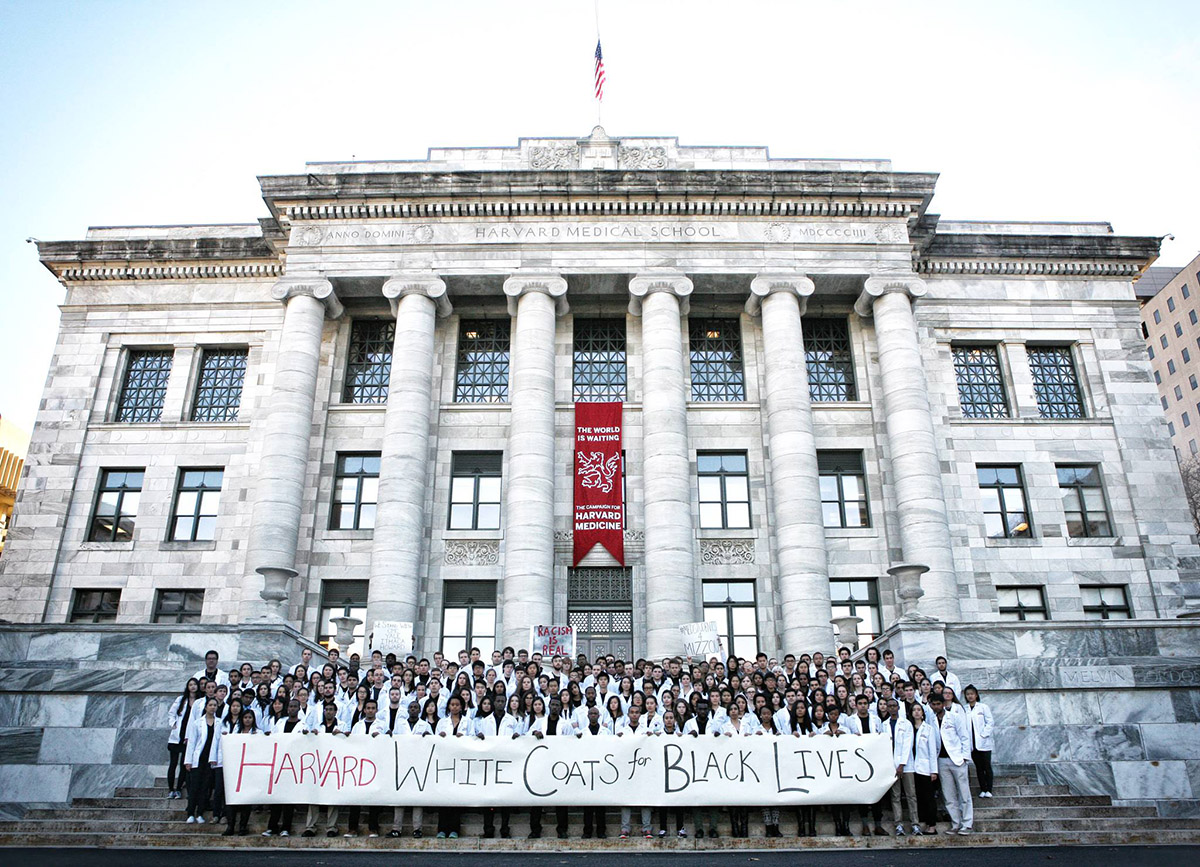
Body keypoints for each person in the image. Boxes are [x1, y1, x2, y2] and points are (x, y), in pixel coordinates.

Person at [929, 691, 972, 835]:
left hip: (957, 759)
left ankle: (967, 824)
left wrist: (965, 757)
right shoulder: (931, 720)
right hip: (941, 761)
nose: (936, 707)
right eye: (933, 704)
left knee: (964, 793)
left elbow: (965, 737)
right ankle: (956, 824)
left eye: (938, 704)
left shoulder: (954, 717)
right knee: (948, 795)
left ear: (943, 704)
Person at [263, 698, 305, 837]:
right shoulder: (280, 723)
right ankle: (272, 827)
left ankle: (286, 827)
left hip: (293, 765)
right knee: (277, 798)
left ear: (299, 709)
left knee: (289, 798)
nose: (292, 708)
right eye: (290, 706)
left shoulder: (303, 726)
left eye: (295, 706)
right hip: (279, 763)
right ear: (287, 708)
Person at [345, 699, 387, 838]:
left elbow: (387, 741)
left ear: (376, 710)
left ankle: (373, 828)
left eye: (373, 708)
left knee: (373, 797)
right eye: (368, 708)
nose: (370, 710)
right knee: (355, 797)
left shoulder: (382, 725)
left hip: (375, 763)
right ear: (364, 710)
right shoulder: (358, 725)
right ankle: (352, 828)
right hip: (359, 764)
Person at [302, 703, 343, 837]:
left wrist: (342, 735)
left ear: (336, 712)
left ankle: (331, 827)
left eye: (331, 710)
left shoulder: (341, 726)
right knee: (314, 795)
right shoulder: (317, 727)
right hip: (317, 765)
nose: (329, 712)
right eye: (327, 710)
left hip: (334, 765)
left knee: (332, 797)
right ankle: (310, 827)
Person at [435, 695, 471, 839]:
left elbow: (473, 739)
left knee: (456, 797)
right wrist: (441, 736)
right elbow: (435, 740)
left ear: (461, 706)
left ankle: (454, 829)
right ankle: (442, 829)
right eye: (452, 704)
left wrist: (465, 738)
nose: (455, 707)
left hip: (461, 762)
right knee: (443, 797)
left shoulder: (468, 722)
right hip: (445, 763)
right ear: (449, 707)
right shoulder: (442, 723)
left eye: (457, 704)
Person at [220, 709, 259, 836]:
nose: (247, 720)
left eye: (250, 717)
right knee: (232, 799)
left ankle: (243, 826)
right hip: (235, 769)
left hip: (250, 771)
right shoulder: (235, 733)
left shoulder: (258, 733)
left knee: (246, 800)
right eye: (245, 717)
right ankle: (230, 826)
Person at [880, 697, 916, 836]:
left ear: (898, 707)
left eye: (894, 705)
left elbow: (907, 745)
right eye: (889, 706)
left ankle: (915, 823)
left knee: (911, 795)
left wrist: (901, 764)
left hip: (906, 766)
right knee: (895, 796)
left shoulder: (906, 724)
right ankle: (898, 824)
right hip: (892, 765)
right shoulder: (884, 725)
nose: (892, 708)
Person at [617, 704, 653, 839]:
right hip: (627, 769)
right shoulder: (623, 731)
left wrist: (651, 737)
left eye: (636, 712)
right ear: (628, 715)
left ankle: (647, 828)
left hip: (643, 768)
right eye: (631, 712)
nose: (634, 715)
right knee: (626, 799)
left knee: (645, 797)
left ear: (639, 714)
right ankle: (625, 828)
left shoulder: (645, 731)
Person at [183, 696, 220, 824]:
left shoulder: (220, 723)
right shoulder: (197, 723)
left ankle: (200, 813)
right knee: (194, 787)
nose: (212, 707)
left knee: (205, 788)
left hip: (210, 760)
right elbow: (192, 742)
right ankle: (190, 813)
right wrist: (188, 761)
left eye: (215, 705)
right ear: (206, 707)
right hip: (198, 759)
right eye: (210, 705)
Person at [720, 703, 752, 838]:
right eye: (731, 709)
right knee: (733, 796)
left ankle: (744, 826)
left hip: (746, 763)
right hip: (731, 764)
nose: (733, 711)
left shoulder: (747, 725)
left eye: (735, 709)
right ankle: (734, 826)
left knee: (745, 796)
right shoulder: (724, 727)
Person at [577, 705, 608, 839]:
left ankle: (601, 831)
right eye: (591, 713)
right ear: (588, 716)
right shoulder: (582, 732)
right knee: (588, 804)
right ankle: (587, 830)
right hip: (587, 770)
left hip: (601, 769)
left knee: (601, 803)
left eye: (596, 713)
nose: (593, 715)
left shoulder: (606, 732)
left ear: (599, 716)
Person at [167, 678, 200, 800]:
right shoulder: (181, 700)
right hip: (177, 735)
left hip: (189, 736)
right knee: (173, 764)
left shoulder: (199, 701)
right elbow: (171, 713)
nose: (192, 687)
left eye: (194, 685)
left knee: (183, 765)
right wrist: (173, 723)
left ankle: (179, 788)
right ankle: (171, 789)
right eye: (190, 685)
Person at [909, 703, 940, 835]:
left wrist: (934, 770)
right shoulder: (908, 728)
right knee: (918, 796)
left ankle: (931, 825)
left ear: (923, 713)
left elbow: (933, 751)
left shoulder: (928, 729)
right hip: (912, 767)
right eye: (914, 710)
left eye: (919, 710)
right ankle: (922, 821)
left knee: (929, 797)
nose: (916, 712)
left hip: (925, 768)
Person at [755, 706, 783, 838]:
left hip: (776, 768)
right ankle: (768, 826)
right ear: (760, 716)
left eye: (768, 713)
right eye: (763, 714)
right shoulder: (757, 730)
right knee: (765, 797)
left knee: (776, 797)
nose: (766, 716)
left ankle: (776, 825)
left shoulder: (778, 731)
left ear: (771, 715)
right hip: (762, 768)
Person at [963, 685, 995, 797]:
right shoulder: (964, 708)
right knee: (979, 767)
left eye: (972, 694)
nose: (970, 696)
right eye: (968, 694)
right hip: (972, 744)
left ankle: (989, 789)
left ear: (976, 695)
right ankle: (983, 789)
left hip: (984, 742)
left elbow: (990, 722)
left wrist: (983, 734)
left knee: (987, 766)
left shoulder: (983, 707)